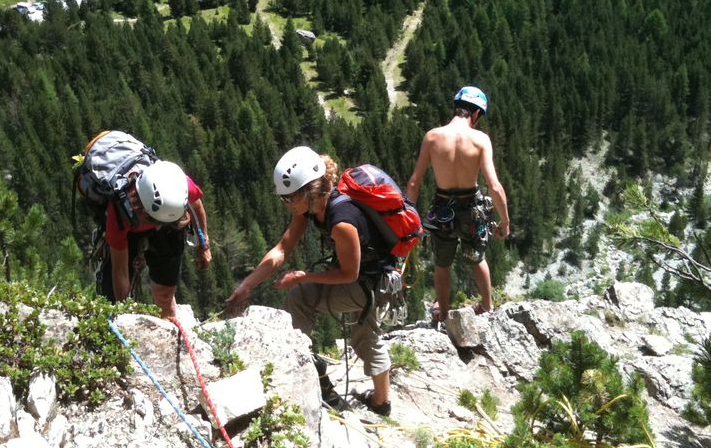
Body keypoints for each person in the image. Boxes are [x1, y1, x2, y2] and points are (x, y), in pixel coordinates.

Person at [225, 146, 393, 416]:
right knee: (365, 336)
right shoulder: (311, 208)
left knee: (302, 296)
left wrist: (305, 277)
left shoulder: (342, 221)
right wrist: (246, 285)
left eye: (289, 198)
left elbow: (349, 273)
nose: (286, 204)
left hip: (368, 284)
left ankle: (304, 362)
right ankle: (379, 402)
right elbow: (282, 249)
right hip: (367, 279)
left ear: (309, 191)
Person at [406, 86, 510, 320]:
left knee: (442, 265)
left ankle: (442, 313)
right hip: (471, 208)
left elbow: (414, 182)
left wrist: (409, 218)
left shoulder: (432, 136)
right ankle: (487, 306)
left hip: (442, 207)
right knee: (477, 259)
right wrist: (505, 221)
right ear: (476, 114)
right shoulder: (480, 139)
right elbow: (494, 187)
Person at [102, 159, 211, 319]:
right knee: (113, 299)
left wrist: (204, 245)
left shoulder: (178, 184)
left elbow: (195, 204)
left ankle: (168, 327)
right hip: (132, 227)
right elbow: (120, 272)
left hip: (169, 223)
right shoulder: (119, 213)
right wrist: (124, 318)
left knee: (165, 294)